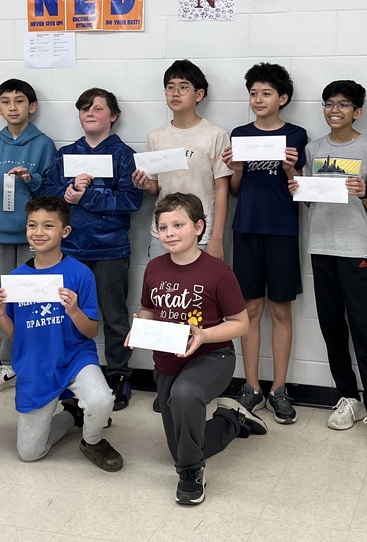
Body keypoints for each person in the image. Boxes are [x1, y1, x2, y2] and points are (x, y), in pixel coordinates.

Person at [129, 193, 265, 505]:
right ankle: (231, 421)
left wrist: (204, 336)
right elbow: (149, 309)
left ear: (199, 227)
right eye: (163, 228)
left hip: (211, 356)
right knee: (179, 448)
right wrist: (140, 323)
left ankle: (191, 474)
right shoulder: (154, 268)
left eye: (178, 225)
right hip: (168, 361)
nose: (170, 233)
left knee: (185, 398)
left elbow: (241, 323)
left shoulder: (218, 271)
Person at [288, 80, 367, 451]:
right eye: (328, 103)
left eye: (343, 104)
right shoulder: (314, 148)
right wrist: (294, 183)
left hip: (356, 249)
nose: (335, 110)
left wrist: (363, 191)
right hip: (320, 246)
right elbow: (309, 202)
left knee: (364, 330)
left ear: (357, 111)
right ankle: (349, 396)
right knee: (332, 327)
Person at [0, 195, 123, 471]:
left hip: (75, 357)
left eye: (48, 226)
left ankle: (93, 440)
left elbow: (92, 331)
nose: (39, 233)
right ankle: (73, 417)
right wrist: (1, 314)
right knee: (30, 453)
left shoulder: (80, 273)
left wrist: (74, 311)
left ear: (65, 231)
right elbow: (17, 335)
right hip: (36, 365)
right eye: (32, 225)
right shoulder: (15, 279)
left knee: (101, 399)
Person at [37, 88, 142, 411]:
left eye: (98, 108)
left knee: (113, 315)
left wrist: (89, 197)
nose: (90, 113)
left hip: (110, 249)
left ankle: (119, 374)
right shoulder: (67, 154)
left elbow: (131, 201)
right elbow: (45, 192)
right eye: (84, 109)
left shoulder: (124, 155)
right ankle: (68, 372)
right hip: (69, 250)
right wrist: (67, 194)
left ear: (113, 116)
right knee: (66, 313)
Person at [223, 62, 308, 425]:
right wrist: (238, 169)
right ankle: (252, 385)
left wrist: (292, 169)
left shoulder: (297, 135)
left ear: (282, 98)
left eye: (266, 93)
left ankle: (279, 388)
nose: (258, 99)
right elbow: (236, 192)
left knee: (281, 311)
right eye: (254, 93)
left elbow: (301, 190)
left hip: (283, 231)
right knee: (250, 311)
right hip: (246, 230)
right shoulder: (239, 133)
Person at [0, 78, 56, 396]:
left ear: (32, 107)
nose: (13, 107)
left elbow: (51, 192)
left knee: (36, 301)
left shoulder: (43, 144)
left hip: (36, 237)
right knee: (3, 302)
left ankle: (37, 363)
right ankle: (7, 364)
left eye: (19, 101)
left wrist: (30, 179)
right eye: (6, 101)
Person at [133, 60, 231, 261]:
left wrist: (216, 238)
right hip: (163, 231)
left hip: (201, 232)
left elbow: (222, 188)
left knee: (201, 290)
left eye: (183, 87)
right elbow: (155, 187)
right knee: (163, 289)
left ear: (199, 94)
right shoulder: (155, 136)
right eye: (170, 87)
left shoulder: (216, 135)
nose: (175, 93)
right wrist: (144, 184)